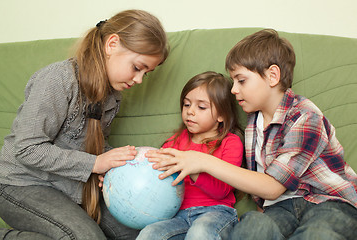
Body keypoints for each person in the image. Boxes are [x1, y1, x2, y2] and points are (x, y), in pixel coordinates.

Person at [146, 29, 357, 239]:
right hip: (280, 209)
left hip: (328, 203)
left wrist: (201, 161)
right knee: (251, 228)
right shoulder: (253, 122)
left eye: (241, 80)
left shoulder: (305, 116)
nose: (233, 89)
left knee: (317, 234)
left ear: (272, 76)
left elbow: (272, 187)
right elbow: (265, 196)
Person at [0, 9, 168, 240]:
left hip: (68, 185)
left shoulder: (113, 94)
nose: (138, 80)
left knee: (138, 235)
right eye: (137, 68)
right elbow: (27, 148)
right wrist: (95, 163)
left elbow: (90, 143)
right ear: (112, 44)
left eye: (146, 74)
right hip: (19, 183)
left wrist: (121, 162)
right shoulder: (58, 79)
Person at [136, 71, 244, 240]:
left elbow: (221, 190)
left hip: (217, 212)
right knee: (149, 234)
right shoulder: (174, 142)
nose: (190, 112)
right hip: (177, 216)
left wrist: (192, 169)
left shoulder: (231, 143)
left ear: (221, 115)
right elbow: (157, 177)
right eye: (186, 105)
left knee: (200, 233)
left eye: (201, 107)